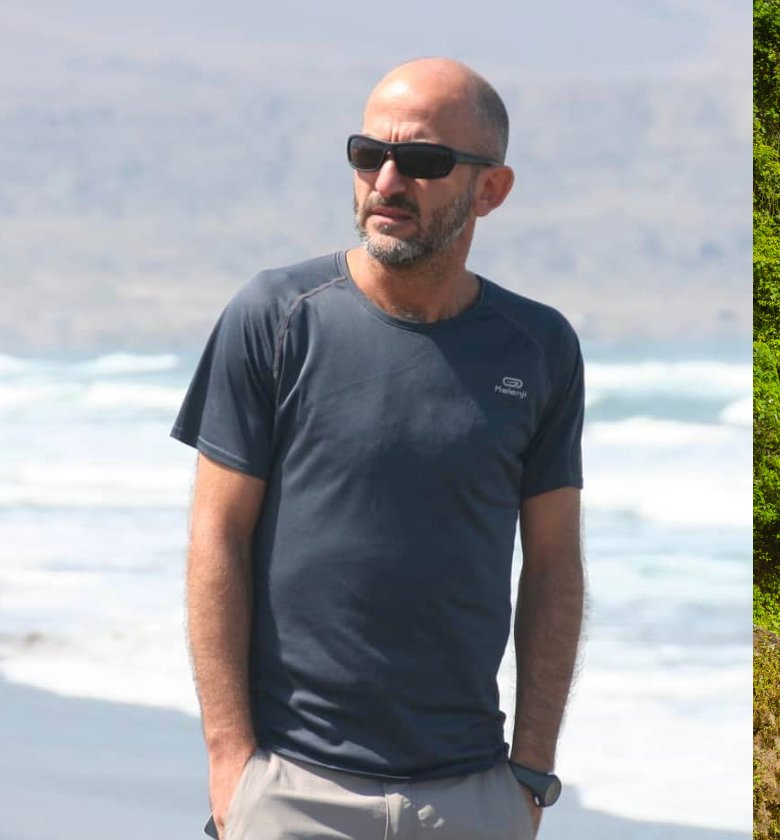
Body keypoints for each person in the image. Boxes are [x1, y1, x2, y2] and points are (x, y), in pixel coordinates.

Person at [171, 57, 584, 840]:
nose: (387, 181)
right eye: (369, 154)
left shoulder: (538, 347)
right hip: (292, 791)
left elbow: (556, 564)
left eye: (424, 162)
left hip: (472, 795)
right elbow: (215, 536)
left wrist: (528, 773)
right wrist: (231, 763)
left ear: (490, 190)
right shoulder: (276, 317)